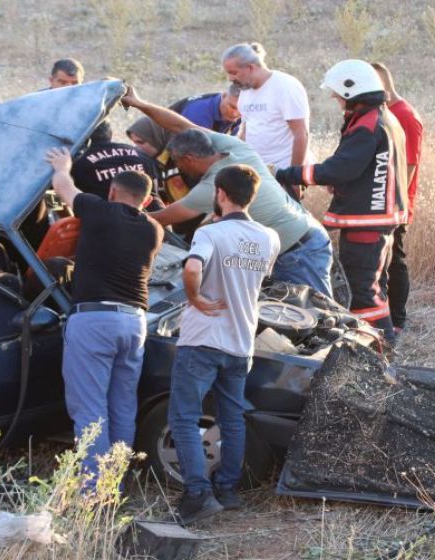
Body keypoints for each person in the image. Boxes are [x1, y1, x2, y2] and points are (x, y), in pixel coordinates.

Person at [120, 85, 333, 297]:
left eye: (177, 162)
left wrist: (112, 217)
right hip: (299, 237)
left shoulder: (213, 187)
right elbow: (180, 124)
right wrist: (140, 103)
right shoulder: (232, 146)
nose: (178, 167)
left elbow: (159, 219)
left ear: (189, 160)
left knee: (323, 319)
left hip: (299, 252)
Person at [44, 150, 164, 489]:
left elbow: (64, 187)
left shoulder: (99, 211)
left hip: (94, 320)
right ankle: (117, 481)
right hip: (135, 322)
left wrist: (62, 166)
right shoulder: (154, 230)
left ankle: (95, 489)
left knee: (90, 408)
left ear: (111, 192)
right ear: (147, 200)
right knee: (123, 406)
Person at [169, 164, 280, 525]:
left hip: (203, 338)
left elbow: (191, 269)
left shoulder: (210, 233)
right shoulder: (269, 237)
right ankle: (228, 490)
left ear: (220, 193)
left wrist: (196, 298)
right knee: (232, 418)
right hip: (241, 341)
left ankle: (197, 494)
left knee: (184, 417)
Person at [274, 60, 408, 342]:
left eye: (338, 95)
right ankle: (383, 348)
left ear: (353, 91)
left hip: (366, 221)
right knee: (374, 287)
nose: (336, 101)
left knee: (363, 292)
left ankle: (376, 353)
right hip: (379, 219)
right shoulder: (382, 117)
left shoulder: (367, 124)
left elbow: (341, 168)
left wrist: (288, 173)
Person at [222, 42, 313, 200]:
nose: (230, 78)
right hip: (254, 175)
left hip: (282, 174)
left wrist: (294, 179)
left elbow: (301, 134)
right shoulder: (245, 91)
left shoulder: (285, 86)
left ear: (250, 67)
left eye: (234, 72)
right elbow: (246, 131)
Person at [372, 62, 423, 335]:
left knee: (395, 260)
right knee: (381, 260)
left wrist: (394, 203)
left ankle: (398, 320)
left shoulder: (404, 115)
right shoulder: (382, 112)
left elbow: (410, 165)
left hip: (396, 203)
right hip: (380, 202)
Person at [71, 120, 161, 203]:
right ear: (110, 133)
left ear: (82, 136)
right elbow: (155, 191)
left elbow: (74, 199)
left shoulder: (79, 163)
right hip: (155, 213)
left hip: (110, 217)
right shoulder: (141, 154)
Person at [168, 83, 243, 136]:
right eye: (232, 107)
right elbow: (194, 151)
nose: (235, 114)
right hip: (162, 145)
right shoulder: (199, 112)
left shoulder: (244, 111)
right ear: (223, 96)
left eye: (241, 109)